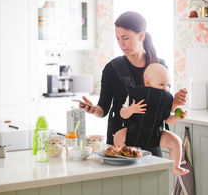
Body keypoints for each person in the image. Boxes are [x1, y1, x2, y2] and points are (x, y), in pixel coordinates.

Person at [77, 11, 187, 157]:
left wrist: (175, 102)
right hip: (119, 143)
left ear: (141, 36)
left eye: (125, 38)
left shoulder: (160, 66)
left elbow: (162, 109)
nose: (121, 43)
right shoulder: (112, 68)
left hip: (152, 140)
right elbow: (103, 109)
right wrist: (94, 110)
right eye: (117, 38)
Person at [114, 63, 189, 175]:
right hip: (133, 133)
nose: (165, 88)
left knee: (176, 141)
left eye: (168, 85)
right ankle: (123, 159)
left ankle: (175, 166)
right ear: (148, 82)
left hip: (155, 135)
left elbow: (167, 120)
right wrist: (131, 109)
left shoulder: (165, 100)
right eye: (161, 84)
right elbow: (122, 113)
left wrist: (177, 117)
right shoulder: (135, 95)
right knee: (118, 136)